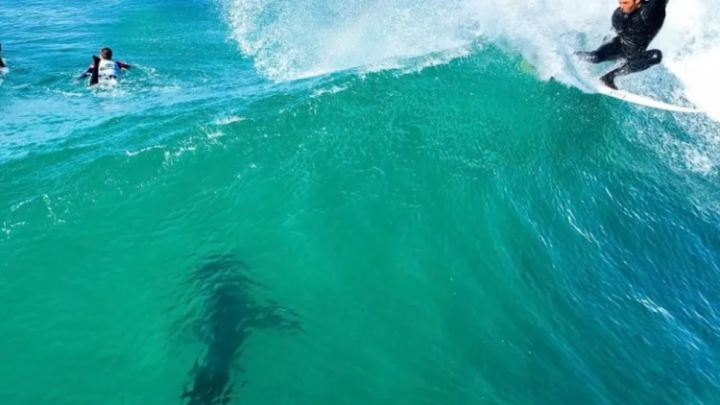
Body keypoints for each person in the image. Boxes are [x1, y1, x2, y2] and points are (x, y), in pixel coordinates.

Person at [576, 0, 668, 90]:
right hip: (619, 45)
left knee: (656, 56)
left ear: (637, 1)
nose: (622, 6)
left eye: (625, 3)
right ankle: (573, 55)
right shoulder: (618, 15)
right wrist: (605, 47)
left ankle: (609, 77)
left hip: (636, 53)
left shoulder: (652, 10)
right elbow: (612, 33)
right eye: (620, 3)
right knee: (595, 57)